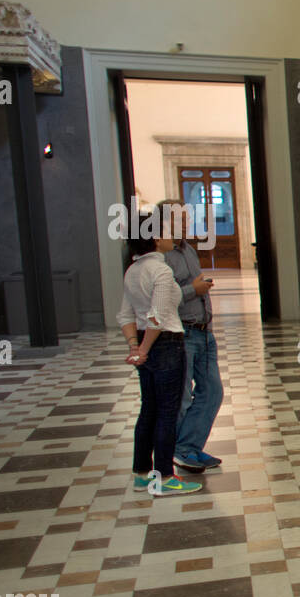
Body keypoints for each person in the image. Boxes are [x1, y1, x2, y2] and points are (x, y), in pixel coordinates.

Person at [117, 212, 202, 497]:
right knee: (167, 411)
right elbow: (157, 316)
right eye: (165, 231)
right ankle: (164, 476)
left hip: (146, 342)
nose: (171, 235)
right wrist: (144, 348)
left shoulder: (133, 271)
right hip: (164, 343)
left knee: (149, 409)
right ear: (154, 238)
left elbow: (126, 315)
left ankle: (142, 472)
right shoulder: (161, 271)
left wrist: (135, 346)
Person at [159, 199, 224, 474]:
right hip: (181, 333)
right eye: (179, 219)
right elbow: (160, 298)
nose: (185, 223)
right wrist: (192, 290)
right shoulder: (159, 257)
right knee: (182, 397)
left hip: (203, 331)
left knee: (212, 391)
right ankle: (181, 450)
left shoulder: (188, 250)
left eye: (186, 218)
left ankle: (189, 446)